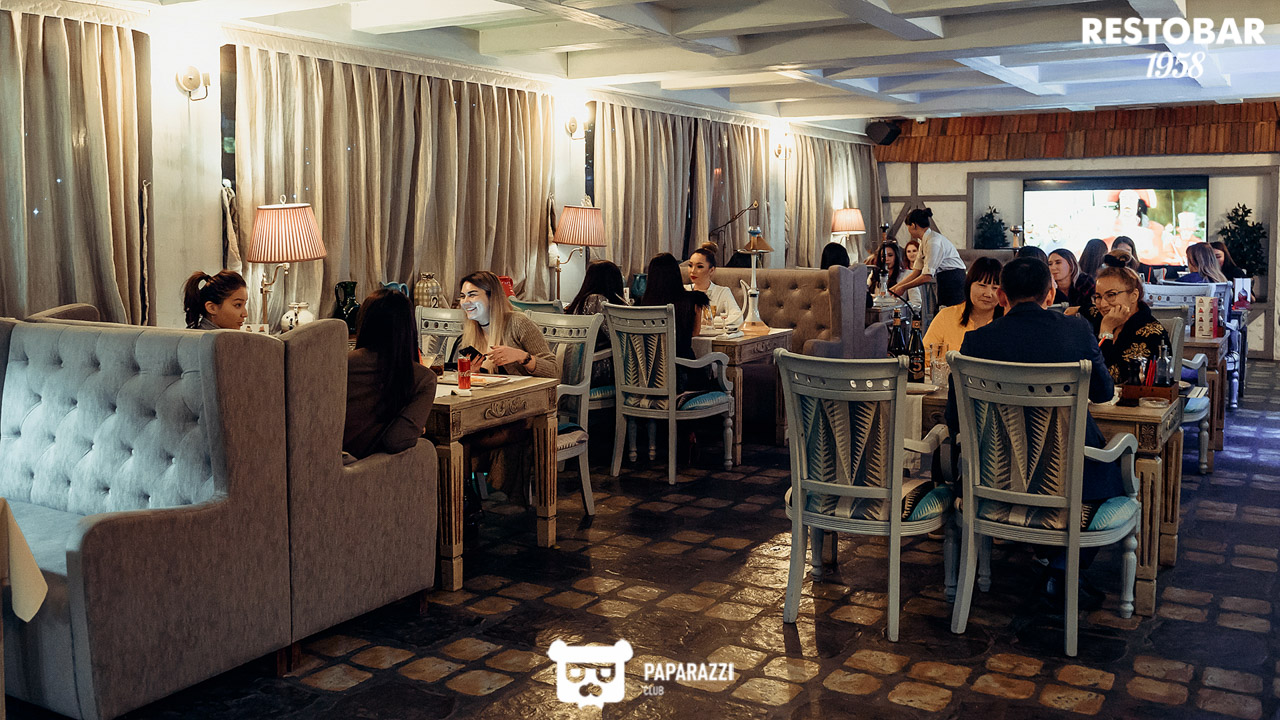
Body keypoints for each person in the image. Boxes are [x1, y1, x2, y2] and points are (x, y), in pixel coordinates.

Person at [945, 257, 1123, 606]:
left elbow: (955, 418)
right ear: (1050, 294)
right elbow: (1103, 394)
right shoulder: (1076, 331)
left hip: (996, 480)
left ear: (1001, 296)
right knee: (1112, 473)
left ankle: (1052, 563)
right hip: (1070, 478)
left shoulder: (976, 342)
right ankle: (1061, 569)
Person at [343, 289, 438, 459]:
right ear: (408, 327)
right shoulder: (423, 378)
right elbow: (397, 440)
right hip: (370, 468)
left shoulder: (340, 364)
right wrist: (415, 427)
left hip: (328, 460)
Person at [1088, 251, 1171, 383]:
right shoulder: (1097, 315)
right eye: (1098, 297)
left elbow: (1114, 378)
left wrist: (1106, 331)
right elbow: (1088, 309)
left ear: (1134, 296)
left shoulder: (1151, 333)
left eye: (1111, 295)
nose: (1102, 304)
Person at [457, 271, 559, 378]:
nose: (465, 302)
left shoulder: (518, 322)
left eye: (472, 295)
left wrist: (521, 356)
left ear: (492, 297)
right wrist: (475, 373)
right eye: (462, 296)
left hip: (523, 388)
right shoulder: (468, 334)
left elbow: (553, 371)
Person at [641, 252, 713, 391]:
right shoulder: (693, 299)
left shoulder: (643, 304)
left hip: (648, 379)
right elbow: (695, 332)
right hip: (683, 378)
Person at [922, 257, 1003, 354]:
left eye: (995, 288)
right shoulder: (946, 316)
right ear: (969, 285)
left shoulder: (1006, 324)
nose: (988, 294)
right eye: (982, 285)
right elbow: (925, 356)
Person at [566, 259, 626, 388]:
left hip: (576, 365)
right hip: (596, 367)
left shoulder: (582, 300)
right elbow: (615, 336)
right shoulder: (597, 300)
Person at [890, 208, 967, 306]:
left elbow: (926, 277)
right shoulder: (924, 241)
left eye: (908, 227)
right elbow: (916, 272)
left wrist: (903, 288)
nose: (908, 231)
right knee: (942, 311)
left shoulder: (933, 242)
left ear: (913, 225)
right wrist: (895, 288)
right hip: (944, 278)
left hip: (954, 279)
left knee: (949, 312)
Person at [686, 242, 743, 327]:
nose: (692, 271)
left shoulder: (722, 292)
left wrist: (708, 319)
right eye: (690, 265)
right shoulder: (683, 290)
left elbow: (738, 318)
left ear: (711, 270)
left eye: (699, 266)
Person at [182, 270, 248, 330]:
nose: (245, 314)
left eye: (244, 304)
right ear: (212, 308)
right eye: (238, 305)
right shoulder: (210, 338)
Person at [1048, 248, 1096, 312]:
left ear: (1071, 264)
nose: (1053, 268)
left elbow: (1093, 308)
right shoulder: (1048, 288)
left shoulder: (1085, 282)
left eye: (1058, 262)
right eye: (1050, 264)